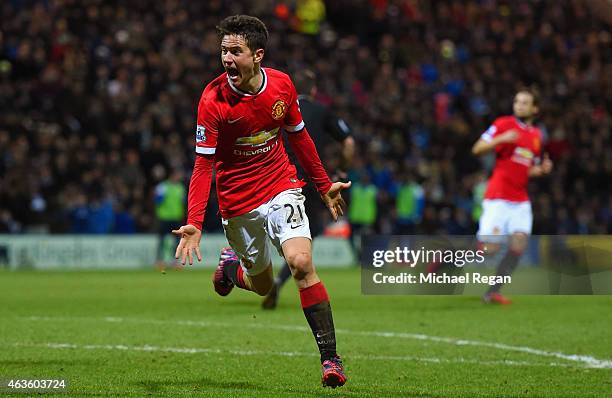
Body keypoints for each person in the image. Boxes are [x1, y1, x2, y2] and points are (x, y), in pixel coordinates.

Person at [171, 15, 350, 388]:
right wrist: (195, 222)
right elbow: (203, 166)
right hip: (237, 200)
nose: (227, 59)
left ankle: (330, 360)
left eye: (235, 51)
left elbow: (299, 137)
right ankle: (231, 269)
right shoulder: (213, 99)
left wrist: (322, 185)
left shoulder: (282, 86)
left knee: (301, 264)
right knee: (264, 284)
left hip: (280, 184)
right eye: (223, 51)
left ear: (257, 54)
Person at [261, 68, 355, 310]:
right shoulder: (322, 111)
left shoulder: (276, 108)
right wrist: (341, 173)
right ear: (313, 90)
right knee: (304, 235)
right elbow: (348, 143)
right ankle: (280, 280)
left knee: (262, 228)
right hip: (308, 182)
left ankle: (251, 271)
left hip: (274, 178)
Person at [471, 87, 553, 304]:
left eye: (525, 102)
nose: (519, 106)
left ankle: (492, 292)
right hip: (498, 196)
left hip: (520, 200)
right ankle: (444, 257)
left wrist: (541, 170)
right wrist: (501, 139)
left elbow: (527, 168)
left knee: (518, 246)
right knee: (489, 250)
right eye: (517, 101)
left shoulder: (536, 136)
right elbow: (477, 148)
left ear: (535, 108)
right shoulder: (503, 124)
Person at [154, 168, 185, 272]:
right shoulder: (162, 187)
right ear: (172, 175)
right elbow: (157, 201)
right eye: (177, 174)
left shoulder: (180, 188)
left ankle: (174, 261)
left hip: (176, 217)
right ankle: (160, 261)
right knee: (162, 240)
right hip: (164, 217)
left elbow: (183, 202)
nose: (179, 177)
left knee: (176, 241)